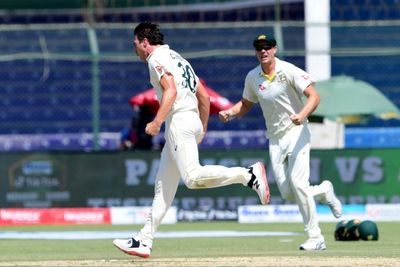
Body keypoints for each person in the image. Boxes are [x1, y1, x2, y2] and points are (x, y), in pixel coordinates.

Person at [113, 22, 270, 258]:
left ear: (145, 42)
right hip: (190, 120)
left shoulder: (156, 59)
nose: (134, 47)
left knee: (193, 178)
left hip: (178, 121)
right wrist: (202, 126)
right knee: (163, 187)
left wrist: (157, 121)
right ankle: (144, 240)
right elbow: (204, 96)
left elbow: (171, 91)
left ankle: (248, 175)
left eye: (135, 43)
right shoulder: (179, 58)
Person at [219, 34, 343, 251]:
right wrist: (230, 112)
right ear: (256, 52)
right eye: (259, 48)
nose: (263, 51)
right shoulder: (252, 77)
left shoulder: (288, 70)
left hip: (297, 132)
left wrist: (302, 115)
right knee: (287, 192)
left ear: (274, 49)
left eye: (267, 47)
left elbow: (314, 96)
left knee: (298, 184)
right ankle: (323, 190)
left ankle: (316, 237)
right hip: (274, 138)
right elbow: (246, 104)